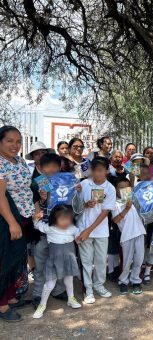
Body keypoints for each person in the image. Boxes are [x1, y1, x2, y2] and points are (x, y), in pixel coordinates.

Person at [0, 126, 34, 322]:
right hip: (7, 219)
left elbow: (26, 187)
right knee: (5, 260)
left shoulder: (19, 160)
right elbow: (1, 197)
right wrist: (12, 223)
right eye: (10, 141)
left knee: (15, 260)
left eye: (18, 141)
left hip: (23, 216)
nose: (15, 145)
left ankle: (11, 297)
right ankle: (2, 306)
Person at [76, 157, 116, 304]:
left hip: (100, 231)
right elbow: (75, 206)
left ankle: (99, 285)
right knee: (86, 261)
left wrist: (89, 230)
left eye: (100, 170)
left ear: (106, 171)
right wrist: (85, 205)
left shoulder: (110, 188)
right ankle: (88, 289)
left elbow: (105, 212)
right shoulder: (84, 184)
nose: (97, 174)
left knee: (100, 260)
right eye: (94, 170)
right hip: (83, 227)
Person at [31, 153, 69, 309]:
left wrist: (77, 189)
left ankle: (58, 289)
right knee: (40, 261)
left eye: (55, 165)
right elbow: (36, 204)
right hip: (43, 232)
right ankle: (38, 293)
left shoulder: (66, 181)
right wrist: (42, 199)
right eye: (48, 166)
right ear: (40, 168)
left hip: (61, 231)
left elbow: (70, 201)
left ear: (60, 166)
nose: (52, 169)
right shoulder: (38, 183)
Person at [32, 205, 82, 319]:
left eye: (69, 219)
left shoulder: (73, 228)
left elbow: (78, 234)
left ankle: (71, 299)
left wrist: (78, 238)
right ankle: (42, 305)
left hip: (69, 259)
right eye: (63, 219)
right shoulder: (50, 228)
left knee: (69, 280)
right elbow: (37, 225)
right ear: (54, 219)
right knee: (49, 284)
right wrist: (36, 218)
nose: (66, 222)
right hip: (54, 261)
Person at [112, 177, 146, 295]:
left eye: (126, 188)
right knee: (126, 261)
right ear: (116, 190)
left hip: (140, 233)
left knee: (139, 259)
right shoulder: (115, 203)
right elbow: (115, 220)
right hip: (126, 235)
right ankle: (123, 281)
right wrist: (126, 208)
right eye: (121, 188)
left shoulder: (134, 199)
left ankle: (135, 280)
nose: (124, 191)